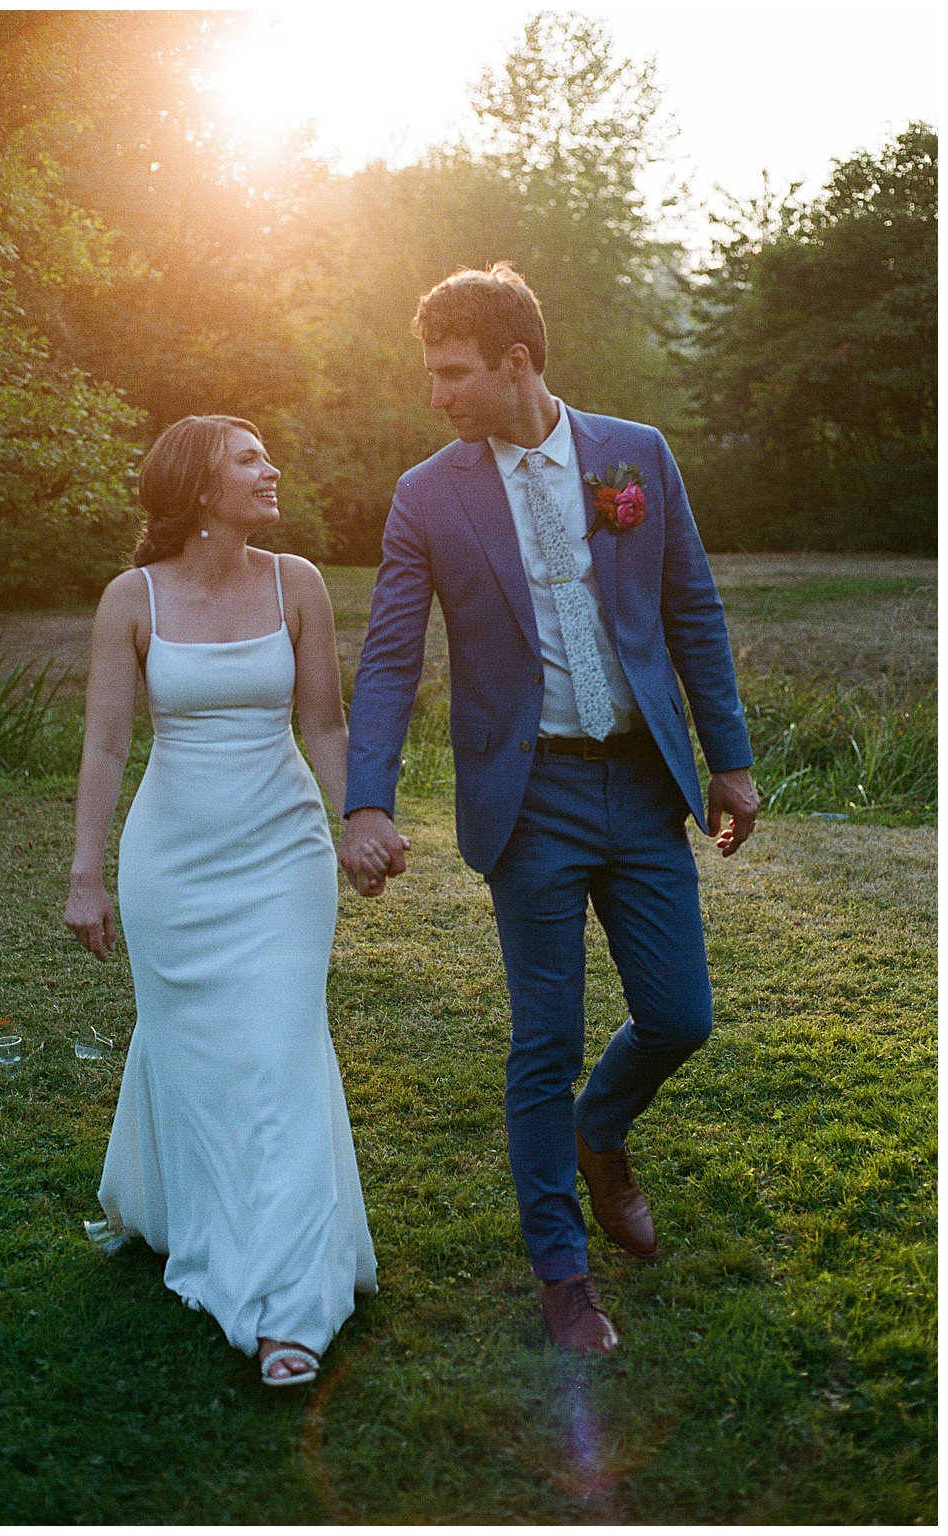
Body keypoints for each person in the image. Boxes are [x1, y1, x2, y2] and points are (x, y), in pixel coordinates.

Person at [340, 263, 759, 1355]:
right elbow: (390, 659)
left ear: (516, 363)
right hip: (526, 797)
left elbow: (693, 611)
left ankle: (600, 1131)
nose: (436, 394)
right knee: (546, 1034)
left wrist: (731, 760)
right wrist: (365, 801)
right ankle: (564, 1276)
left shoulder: (636, 456)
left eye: (453, 373)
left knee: (681, 1016)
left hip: (643, 781)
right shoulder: (428, 493)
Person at [65, 415, 380, 1387]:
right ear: (201, 487)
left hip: (282, 855)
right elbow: (108, 745)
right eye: (249, 459)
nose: (271, 467)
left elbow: (324, 722)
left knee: (280, 1054)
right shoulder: (132, 600)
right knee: (199, 1060)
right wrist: (88, 872)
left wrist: (360, 817)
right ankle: (191, 1216)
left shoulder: (299, 584)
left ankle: (291, 1302)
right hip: (176, 866)